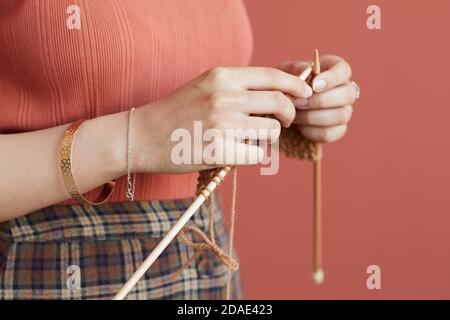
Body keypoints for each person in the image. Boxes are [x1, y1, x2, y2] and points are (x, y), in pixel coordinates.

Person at [0, 0, 358, 299]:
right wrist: (139, 136)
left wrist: (277, 109)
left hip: (202, 265)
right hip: (51, 271)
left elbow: (183, 119)